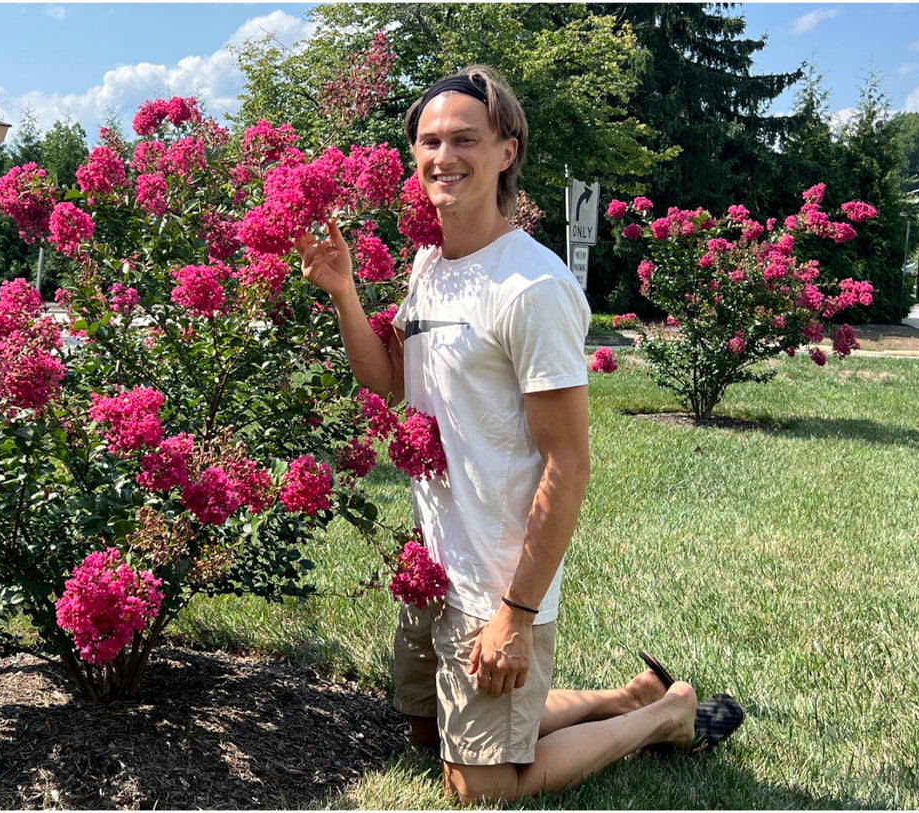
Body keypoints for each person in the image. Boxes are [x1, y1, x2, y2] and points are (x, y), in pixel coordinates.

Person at [294, 64, 743, 805]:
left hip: (498, 575)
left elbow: (567, 463)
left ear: (506, 150)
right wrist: (343, 291)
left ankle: (663, 715)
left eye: (465, 138)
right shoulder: (428, 264)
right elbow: (386, 380)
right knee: (426, 737)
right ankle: (624, 694)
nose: (444, 156)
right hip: (434, 555)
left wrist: (516, 612)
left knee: (480, 789)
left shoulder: (532, 289)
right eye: (429, 140)